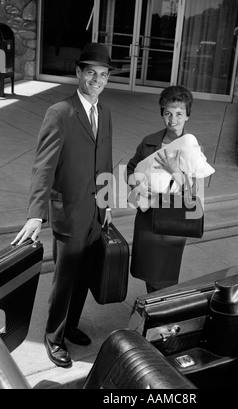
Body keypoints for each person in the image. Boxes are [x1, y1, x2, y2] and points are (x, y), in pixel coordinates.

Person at [11, 43, 113, 367]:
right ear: (79, 73)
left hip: (96, 213)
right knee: (66, 279)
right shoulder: (60, 112)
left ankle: (70, 326)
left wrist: (108, 203)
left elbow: (106, 160)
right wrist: (35, 215)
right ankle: (53, 338)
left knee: (83, 278)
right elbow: (44, 167)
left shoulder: (106, 113)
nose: (97, 80)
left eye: (103, 75)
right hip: (69, 213)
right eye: (91, 73)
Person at [127, 85, 200, 294]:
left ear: (187, 116)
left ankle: (160, 313)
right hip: (147, 214)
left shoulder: (191, 148)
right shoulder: (149, 142)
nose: (173, 119)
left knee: (164, 274)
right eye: (168, 113)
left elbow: (192, 190)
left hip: (172, 219)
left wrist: (176, 171)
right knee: (148, 269)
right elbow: (131, 168)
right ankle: (154, 306)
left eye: (179, 114)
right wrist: (137, 186)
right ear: (162, 114)